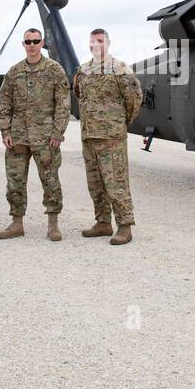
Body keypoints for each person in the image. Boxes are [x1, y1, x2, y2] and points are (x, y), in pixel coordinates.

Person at [0, 28, 70, 241]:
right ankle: (17, 222)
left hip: (46, 137)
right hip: (17, 137)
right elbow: (4, 103)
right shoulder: (14, 72)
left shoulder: (55, 70)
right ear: (23, 44)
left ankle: (53, 223)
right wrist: (5, 130)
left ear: (42, 43)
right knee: (15, 181)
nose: (32, 45)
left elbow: (63, 104)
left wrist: (58, 131)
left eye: (36, 41)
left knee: (50, 180)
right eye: (28, 41)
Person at [73, 28, 141, 246]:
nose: (96, 45)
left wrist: (118, 123)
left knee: (116, 182)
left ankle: (124, 225)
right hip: (89, 135)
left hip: (112, 137)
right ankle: (103, 222)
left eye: (100, 41)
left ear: (108, 43)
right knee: (95, 183)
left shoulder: (120, 69)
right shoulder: (82, 71)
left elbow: (134, 99)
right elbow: (78, 95)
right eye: (92, 41)